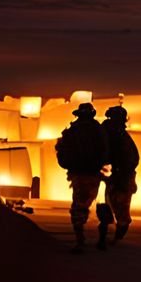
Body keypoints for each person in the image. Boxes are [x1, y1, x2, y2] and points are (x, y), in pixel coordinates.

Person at [55, 103, 109, 253]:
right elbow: (105, 150)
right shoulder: (97, 130)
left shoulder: (73, 130)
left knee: (80, 207)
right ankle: (99, 238)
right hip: (91, 174)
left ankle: (83, 240)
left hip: (81, 174)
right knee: (98, 205)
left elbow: (62, 151)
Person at [99, 105, 140, 250]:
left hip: (116, 176)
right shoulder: (116, 135)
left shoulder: (110, 133)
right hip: (118, 176)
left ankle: (109, 236)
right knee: (118, 209)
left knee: (110, 207)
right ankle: (112, 236)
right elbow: (131, 158)